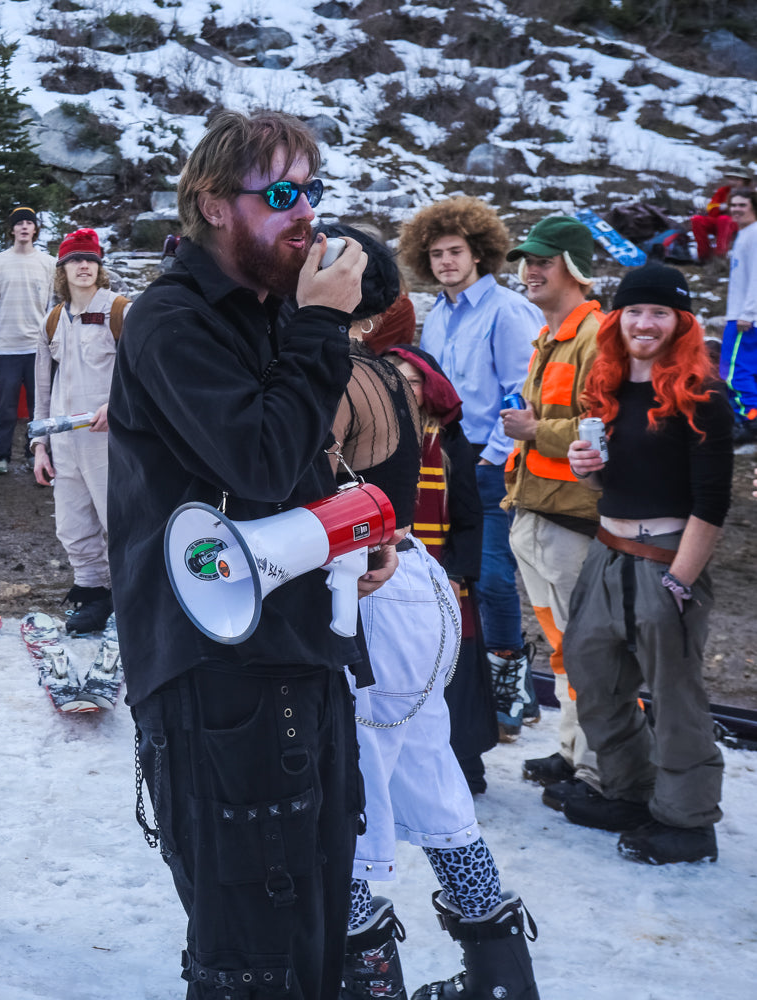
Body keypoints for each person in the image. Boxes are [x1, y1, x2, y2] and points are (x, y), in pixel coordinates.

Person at [109, 109, 394, 1000]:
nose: (305, 212)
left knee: (312, 925)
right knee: (251, 953)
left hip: (298, 652)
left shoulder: (276, 314)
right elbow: (258, 455)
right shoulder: (170, 321)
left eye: (313, 190)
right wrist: (320, 327)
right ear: (213, 205)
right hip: (216, 676)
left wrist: (345, 540)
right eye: (280, 194)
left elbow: (288, 477)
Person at [325, 223, 539, 1000]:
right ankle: (501, 975)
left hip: (372, 595)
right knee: (429, 779)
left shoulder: (346, 376)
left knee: (348, 797)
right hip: (409, 584)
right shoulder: (386, 375)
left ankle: (366, 981)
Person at [562, 263, 732, 866]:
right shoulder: (605, 386)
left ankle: (687, 822)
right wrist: (590, 467)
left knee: (675, 695)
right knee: (595, 680)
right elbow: (619, 476)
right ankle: (632, 791)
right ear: (618, 319)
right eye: (634, 311)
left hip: (667, 560)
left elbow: (713, 505)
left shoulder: (704, 397)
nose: (645, 322)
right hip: (606, 556)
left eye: (660, 312)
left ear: (681, 323)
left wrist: (680, 582)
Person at [401, 196, 542, 740]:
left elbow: (523, 390)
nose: (445, 262)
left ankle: (511, 688)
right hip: (448, 464)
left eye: (455, 251)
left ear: (480, 253)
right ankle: (468, 686)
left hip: (492, 463)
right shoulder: (437, 314)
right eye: (435, 253)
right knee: (455, 577)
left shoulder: (508, 311)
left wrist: (494, 458)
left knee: (494, 578)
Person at [497, 216, 608, 808]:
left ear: (575, 267)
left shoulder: (596, 335)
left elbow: (602, 428)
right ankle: (571, 751)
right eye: (526, 260)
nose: (530, 271)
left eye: (544, 260)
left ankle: (597, 769)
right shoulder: (553, 335)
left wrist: (536, 430)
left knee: (588, 650)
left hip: (571, 523)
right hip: (538, 514)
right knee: (564, 646)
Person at [386, 343, 498, 797]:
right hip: (388, 578)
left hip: (443, 577)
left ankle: (464, 766)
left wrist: (455, 576)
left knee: (453, 671)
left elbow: (470, 519)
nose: (399, 388)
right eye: (389, 378)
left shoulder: (449, 442)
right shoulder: (372, 435)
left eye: (408, 381)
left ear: (426, 388)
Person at [30, 228, 129, 634]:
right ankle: (93, 593)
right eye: (75, 259)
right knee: (72, 525)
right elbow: (40, 385)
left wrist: (118, 406)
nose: (83, 265)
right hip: (63, 440)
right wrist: (39, 445)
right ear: (62, 269)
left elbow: (141, 373)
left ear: (99, 266)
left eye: (90, 259)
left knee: (119, 521)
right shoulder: (53, 319)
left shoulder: (120, 310)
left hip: (109, 439)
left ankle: (131, 598)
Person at [0, 206, 56, 475]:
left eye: (29, 223)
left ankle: (35, 454)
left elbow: (52, 306)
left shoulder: (48, 263)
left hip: (38, 348)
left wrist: (51, 342)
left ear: (35, 229)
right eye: (19, 223)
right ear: (11, 229)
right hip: (6, 347)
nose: (24, 227)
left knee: (40, 406)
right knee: (4, 407)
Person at [719, 187, 757, 437]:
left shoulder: (754, 235)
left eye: (742, 205)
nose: (736, 210)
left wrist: (749, 312)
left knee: (734, 370)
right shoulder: (745, 234)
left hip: (744, 318)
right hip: (742, 313)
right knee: (748, 368)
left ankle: (747, 420)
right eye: (733, 205)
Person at [689, 166, 750, 263]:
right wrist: (721, 207)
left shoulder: (751, 193)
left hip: (740, 225)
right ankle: (704, 256)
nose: (733, 182)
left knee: (724, 219)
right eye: (731, 179)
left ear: (744, 181)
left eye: (737, 179)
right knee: (697, 220)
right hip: (719, 221)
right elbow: (711, 209)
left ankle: (720, 257)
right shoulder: (723, 191)